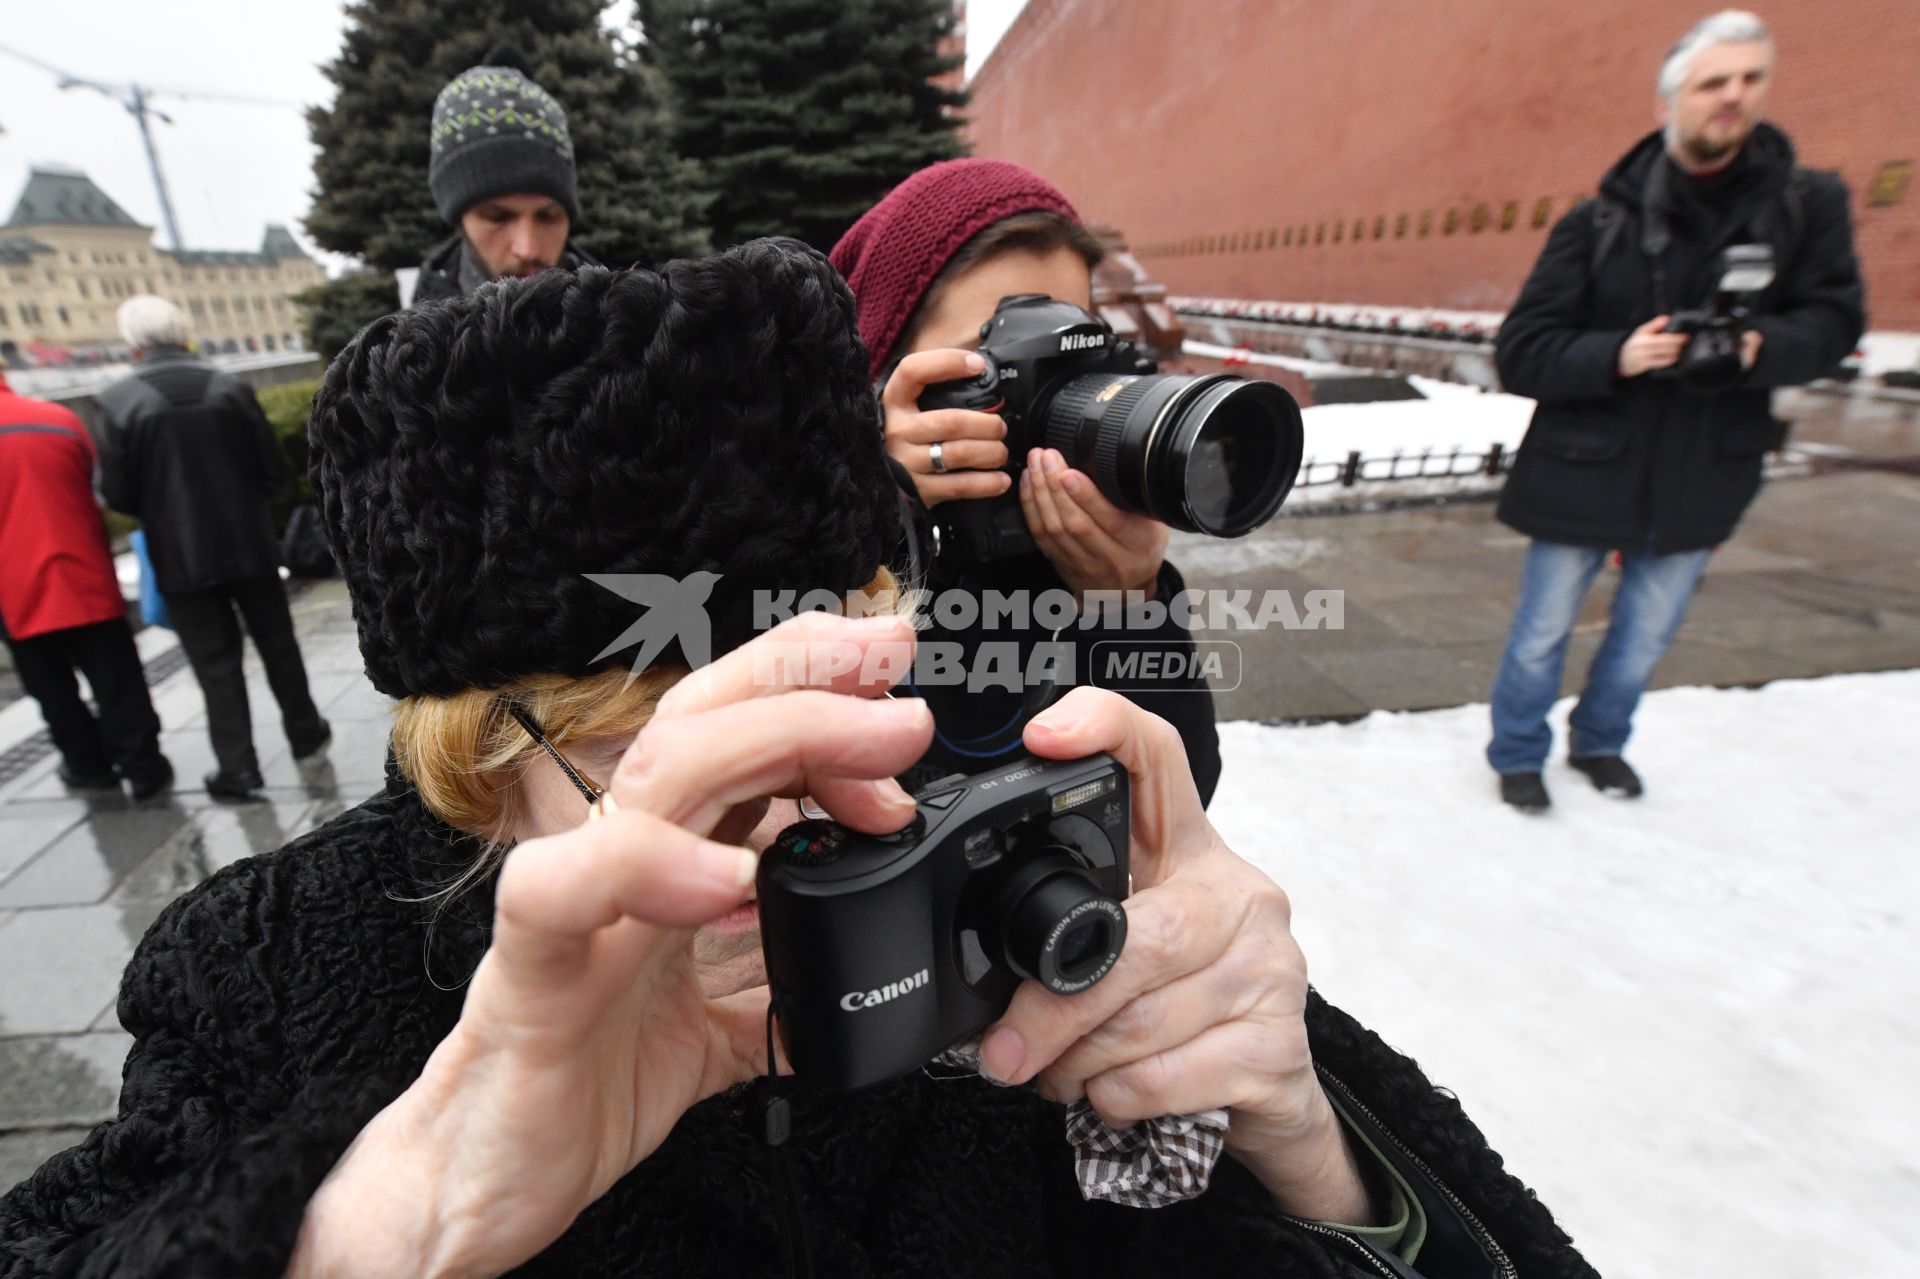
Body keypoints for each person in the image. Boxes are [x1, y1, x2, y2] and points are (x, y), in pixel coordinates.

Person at [0, 243, 1595, 1278]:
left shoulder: (977, 838)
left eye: (814, 705)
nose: (778, 829)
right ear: (479, 763)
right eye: (653, 748)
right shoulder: (274, 965)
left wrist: (1311, 1157)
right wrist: (388, 1218)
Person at [1488, 9, 1864, 813]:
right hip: (1582, 467)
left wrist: (1764, 343)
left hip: (1703, 468)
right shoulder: (1597, 223)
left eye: (1749, 79)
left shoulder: (1806, 206)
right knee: (1542, 632)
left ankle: (1600, 743)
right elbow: (1523, 349)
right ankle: (1519, 752)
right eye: (1712, 82)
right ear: (1669, 103)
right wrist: (1617, 354)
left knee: (1645, 636)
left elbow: (1835, 323)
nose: (1733, 97)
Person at [830, 159, 1223, 804]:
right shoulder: (802, 531)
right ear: (878, 378)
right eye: (1001, 365)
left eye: (1071, 349)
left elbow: (1175, 805)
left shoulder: (1076, 547)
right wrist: (875, 509)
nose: (1046, 401)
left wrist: (1129, 604)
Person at [96, 297, 331, 802]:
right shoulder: (230, 387)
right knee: (279, 645)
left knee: (214, 663)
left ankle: (237, 768)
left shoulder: (118, 401)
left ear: (132, 342)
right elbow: (273, 471)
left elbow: (116, 494)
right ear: (184, 330)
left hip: (179, 557)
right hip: (250, 544)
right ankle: (306, 731)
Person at [0, 370, 172, 799]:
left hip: (15, 590)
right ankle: (144, 767)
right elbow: (97, 487)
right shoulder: (58, 419)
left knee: (52, 689)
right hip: (85, 574)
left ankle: (88, 767)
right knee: (117, 681)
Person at [412, 43, 603, 306]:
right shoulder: (407, 339)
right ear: (459, 219)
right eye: (498, 217)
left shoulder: (624, 331)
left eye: (548, 216)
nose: (528, 249)